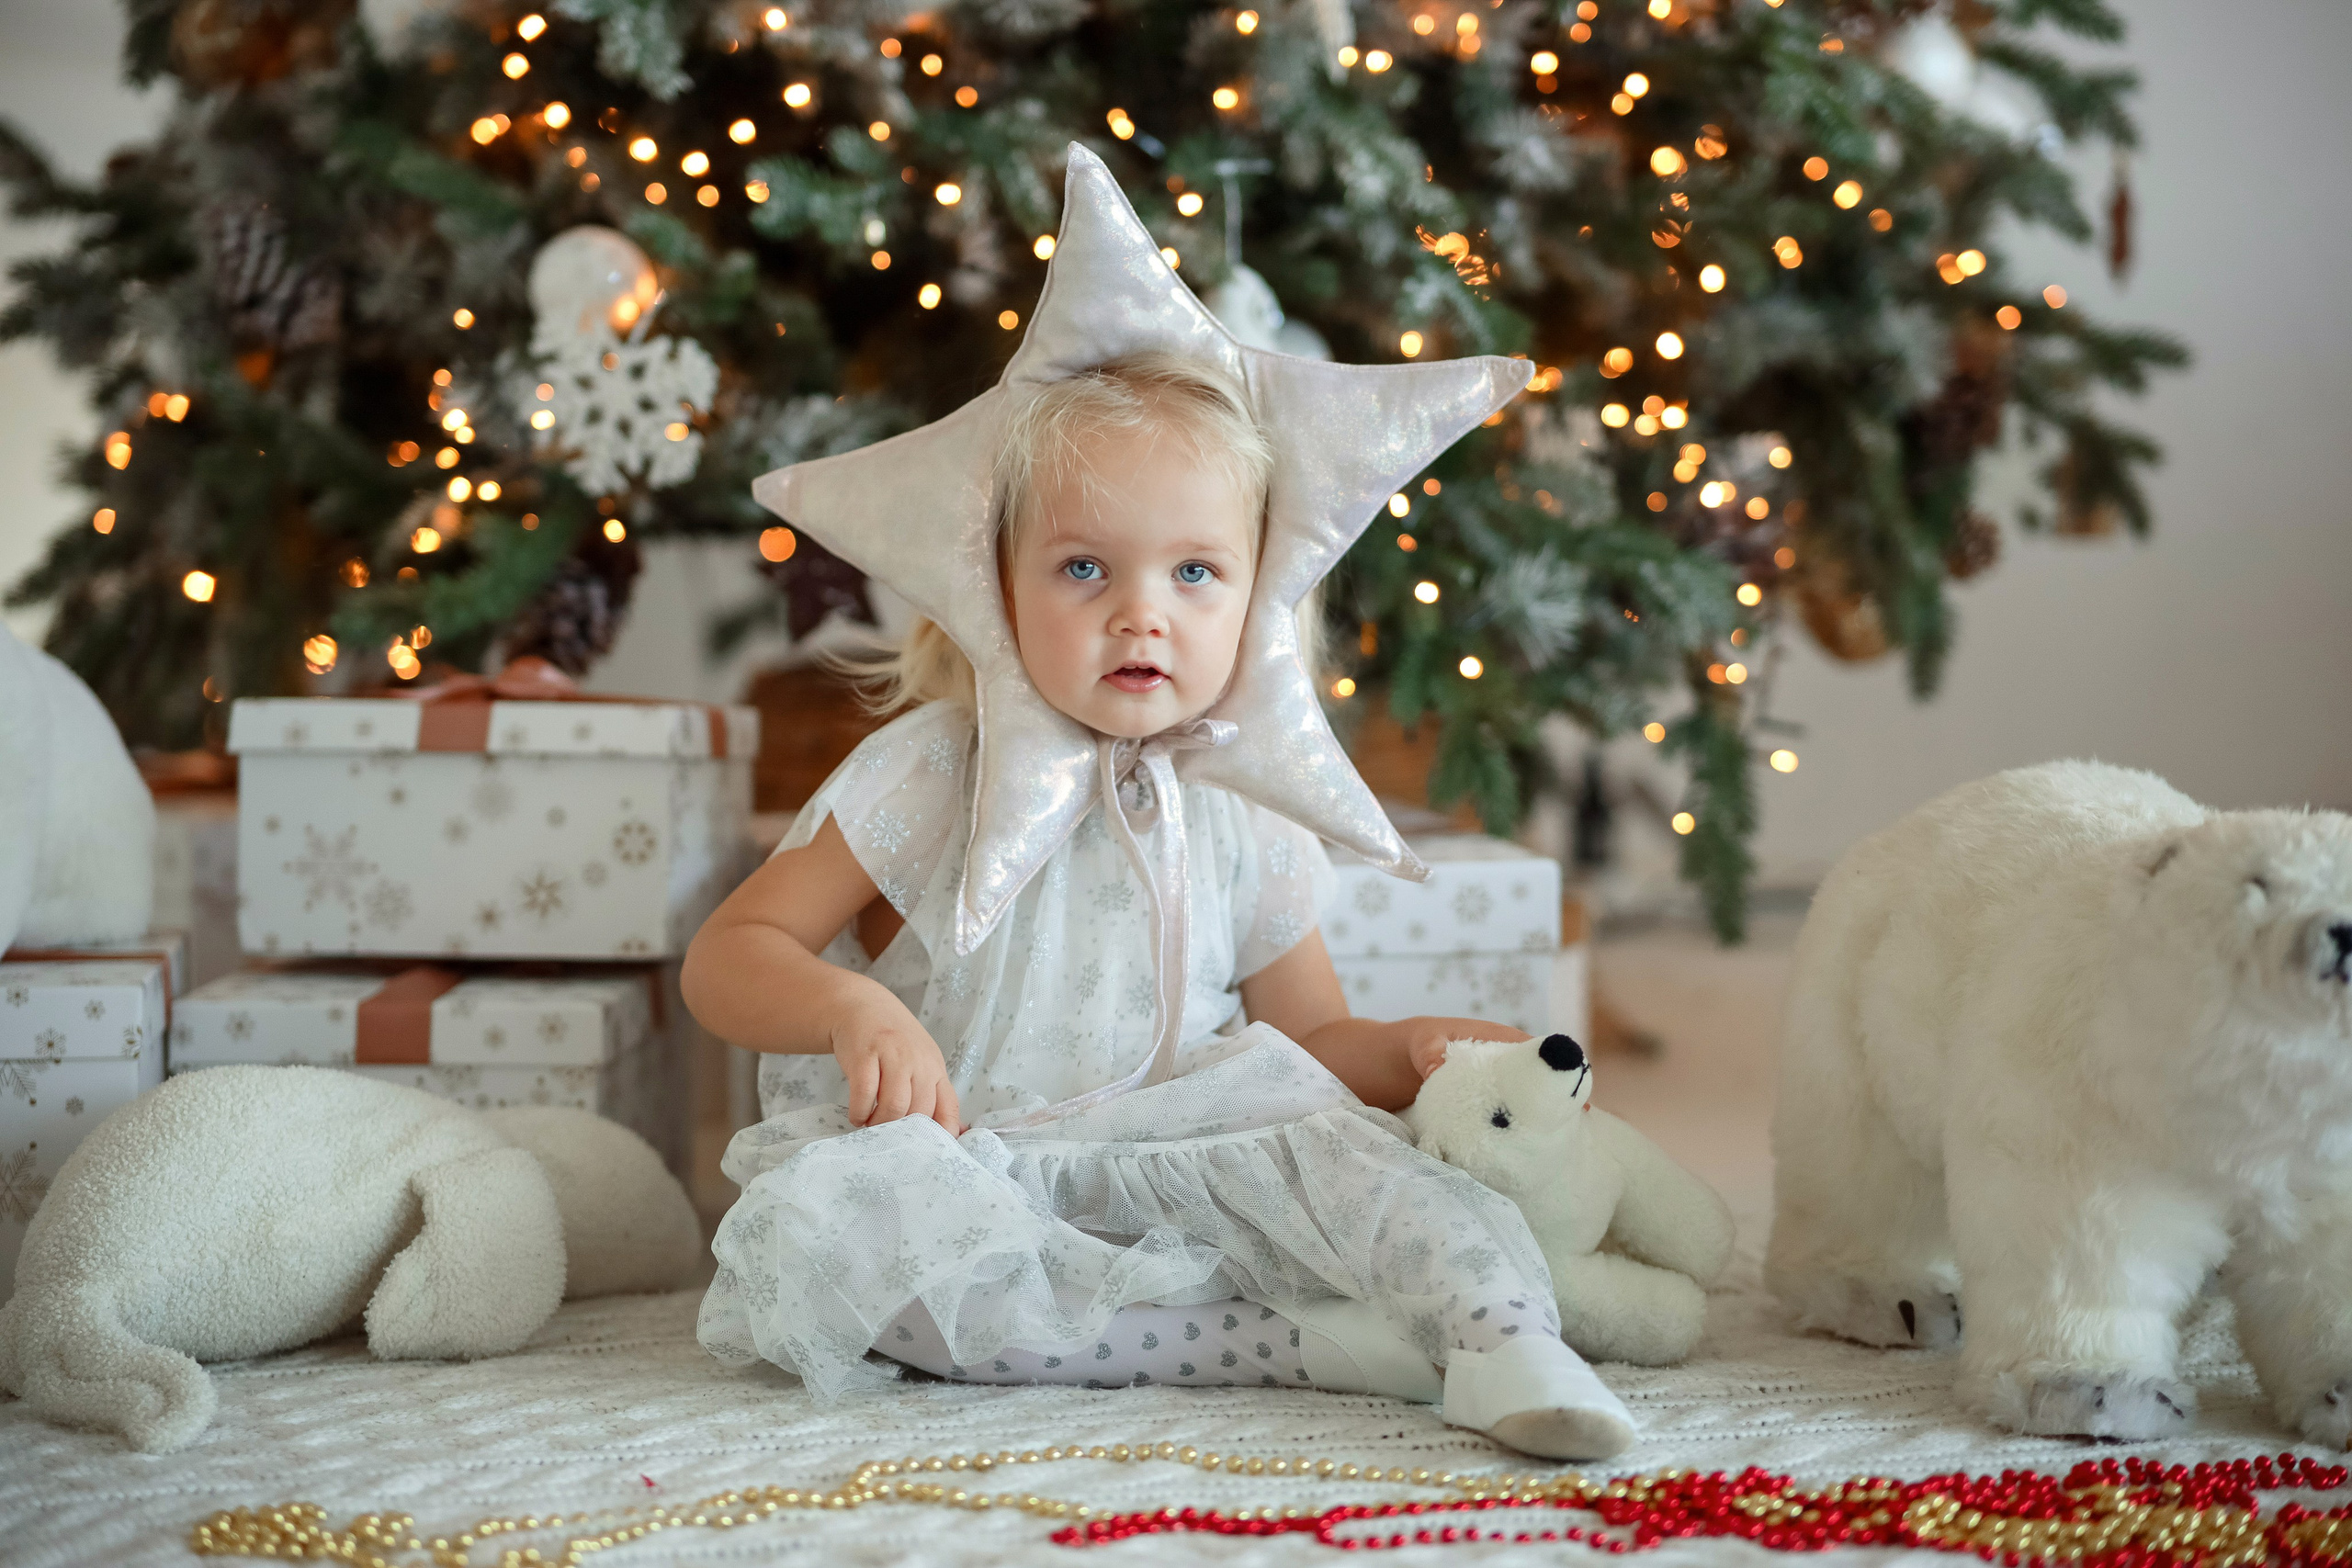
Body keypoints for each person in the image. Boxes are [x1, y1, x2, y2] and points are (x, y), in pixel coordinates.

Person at [684, 351, 1634, 1460]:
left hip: (1187, 1146)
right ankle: (1309, 1350)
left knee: (1389, 1184)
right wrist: (853, 1010)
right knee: (867, 1273)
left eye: (1194, 573)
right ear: (996, 589)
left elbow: (1308, 1036)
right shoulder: (938, 769)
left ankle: (1507, 1345)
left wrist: (1414, 1048)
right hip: (970, 1166)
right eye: (1084, 567)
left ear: (1257, 599)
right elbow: (730, 955)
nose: (1142, 614)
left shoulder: (1239, 803)